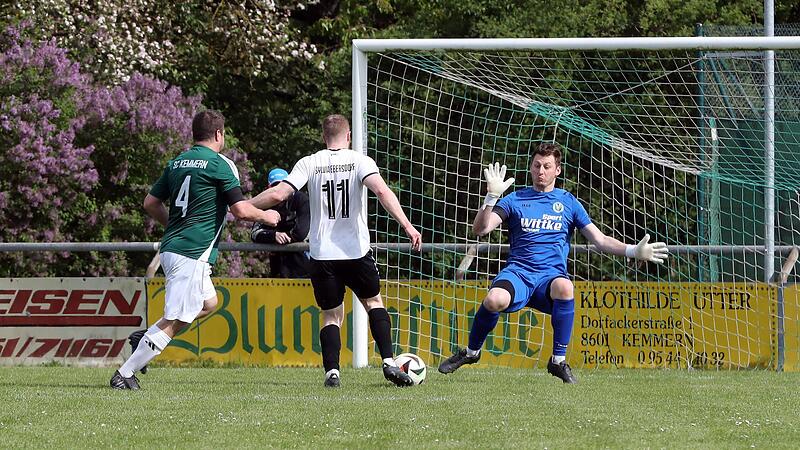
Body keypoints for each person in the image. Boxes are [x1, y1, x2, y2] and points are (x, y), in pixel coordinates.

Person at [437, 143, 669, 383]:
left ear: (557, 170)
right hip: (519, 274)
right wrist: (491, 197)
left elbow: (599, 240)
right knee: (493, 299)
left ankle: (558, 361)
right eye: (536, 165)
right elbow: (481, 229)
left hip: (549, 278)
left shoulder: (568, 202)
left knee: (566, 287)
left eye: (547, 166)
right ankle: (472, 352)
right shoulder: (515, 199)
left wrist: (632, 250)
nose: (541, 171)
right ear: (530, 167)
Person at [111, 110, 281, 390]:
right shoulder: (220, 164)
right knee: (176, 318)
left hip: (176, 247)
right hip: (192, 252)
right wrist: (267, 217)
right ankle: (125, 373)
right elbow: (239, 210)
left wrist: (174, 226)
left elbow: (150, 203)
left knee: (208, 304)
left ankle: (147, 337)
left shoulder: (177, 162)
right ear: (218, 134)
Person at [249, 114, 423, 388]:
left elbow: (279, 194)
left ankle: (332, 372)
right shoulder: (359, 161)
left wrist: (245, 207)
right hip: (356, 251)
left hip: (322, 255)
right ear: (349, 135)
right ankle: (389, 361)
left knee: (331, 315)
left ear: (323, 136)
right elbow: (382, 191)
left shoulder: (310, 162)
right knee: (373, 303)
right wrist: (407, 225)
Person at [251, 168, 311, 278]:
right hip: (278, 269)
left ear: (290, 186)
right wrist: (274, 236)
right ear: (268, 188)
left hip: (304, 267)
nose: (279, 192)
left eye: (282, 186)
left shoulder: (301, 199)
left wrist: (282, 237)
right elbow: (254, 233)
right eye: (275, 186)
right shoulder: (265, 202)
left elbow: (302, 232)